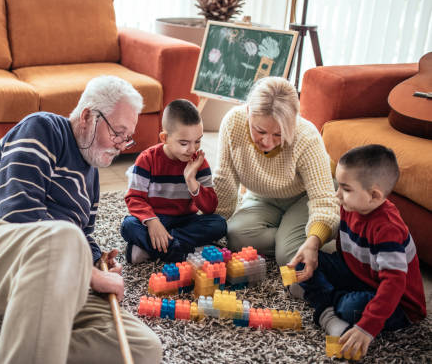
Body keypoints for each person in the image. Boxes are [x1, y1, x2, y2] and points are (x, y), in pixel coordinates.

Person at [0, 76, 163, 364]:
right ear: (88, 116)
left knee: (143, 348)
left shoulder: (91, 178)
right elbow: (19, 211)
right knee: (65, 238)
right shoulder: (43, 127)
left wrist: (99, 261)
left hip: (51, 280)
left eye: (128, 138)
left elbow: (82, 239)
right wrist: (94, 276)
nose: (122, 145)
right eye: (118, 133)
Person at [293, 144, 426, 359]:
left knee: (350, 307)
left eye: (345, 189)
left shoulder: (388, 228)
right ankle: (327, 304)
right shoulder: (351, 206)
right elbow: (341, 251)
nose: (337, 195)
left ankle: (323, 301)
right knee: (303, 261)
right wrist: (312, 246)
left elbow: (393, 285)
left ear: (374, 195)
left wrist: (367, 329)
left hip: (397, 303)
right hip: (358, 274)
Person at [214, 76, 339, 276]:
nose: (268, 142)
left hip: (303, 197)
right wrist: (212, 224)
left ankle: (306, 241)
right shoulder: (233, 123)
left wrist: (315, 239)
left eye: (279, 134)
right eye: (260, 130)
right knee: (235, 235)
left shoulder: (306, 136)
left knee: (287, 256)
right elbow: (224, 181)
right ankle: (289, 236)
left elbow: (323, 199)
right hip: (263, 197)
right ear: (248, 113)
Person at [121, 99, 227, 264]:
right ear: (164, 138)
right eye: (184, 143)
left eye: (197, 141)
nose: (192, 149)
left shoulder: (198, 162)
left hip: (185, 220)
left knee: (219, 224)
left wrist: (191, 180)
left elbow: (209, 208)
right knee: (128, 226)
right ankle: (186, 249)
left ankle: (152, 249)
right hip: (155, 219)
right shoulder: (147, 159)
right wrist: (153, 222)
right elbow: (134, 198)